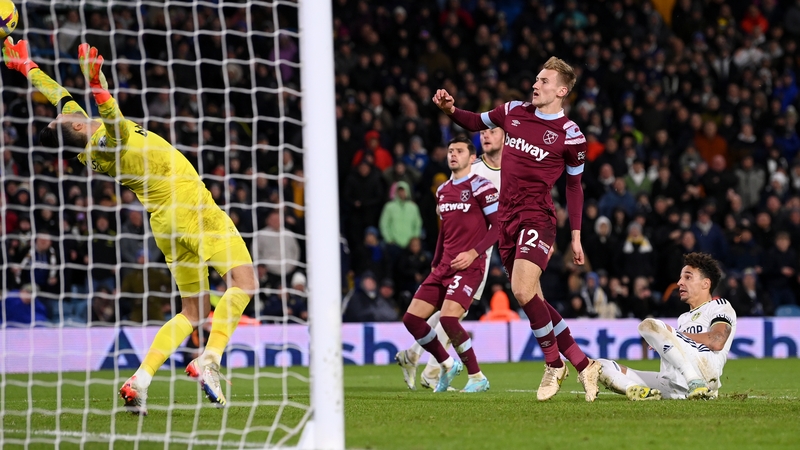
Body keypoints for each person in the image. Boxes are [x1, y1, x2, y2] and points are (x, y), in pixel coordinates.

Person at [3, 39, 257, 414]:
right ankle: (210, 359)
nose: (66, 108)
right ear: (75, 125)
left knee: (193, 311)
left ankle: (139, 379)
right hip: (189, 204)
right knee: (245, 283)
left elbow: (58, 95)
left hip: (164, 222)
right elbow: (118, 127)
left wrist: (26, 67)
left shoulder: (81, 136)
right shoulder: (104, 144)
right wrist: (98, 86)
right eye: (63, 116)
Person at [431, 56, 602, 401]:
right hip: (506, 220)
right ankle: (584, 364)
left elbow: (574, 187)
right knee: (534, 298)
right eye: (536, 78)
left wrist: (577, 236)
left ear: (562, 90)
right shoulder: (513, 111)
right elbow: (474, 121)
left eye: (544, 81)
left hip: (537, 217)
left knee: (522, 291)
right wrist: (451, 109)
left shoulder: (572, 136)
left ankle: (554, 364)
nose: (536, 84)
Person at [395, 127, 504, 390]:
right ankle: (443, 364)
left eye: (459, 151)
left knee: (450, 317)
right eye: (450, 151)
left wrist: (473, 253)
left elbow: (499, 226)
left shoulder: (484, 184)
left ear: (471, 156)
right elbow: (444, 230)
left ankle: (471, 375)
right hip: (444, 264)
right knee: (415, 318)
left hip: (472, 262)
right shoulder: (443, 190)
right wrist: (435, 261)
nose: (453, 155)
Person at [598, 253, 736, 400]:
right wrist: (666, 339)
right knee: (600, 365)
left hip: (704, 376)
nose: (679, 283)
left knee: (649, 324)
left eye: (687, 277)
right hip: (672, 384)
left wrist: (672, 334)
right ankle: (634, 389)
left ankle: (695, 382)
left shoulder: (719, 306)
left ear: (705, 284)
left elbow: (716, 340)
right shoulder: (684, 318)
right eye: (681, 277)